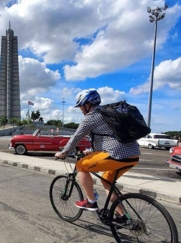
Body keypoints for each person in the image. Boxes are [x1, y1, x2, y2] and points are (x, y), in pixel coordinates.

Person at [55, 90, 140, 223]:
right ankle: (123, 216)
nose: (81, 110)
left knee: (80, 166)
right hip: (133, 155)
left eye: (81, 107)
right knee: (107, 181)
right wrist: (92, 150)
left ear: (88, 104)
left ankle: (91, 202)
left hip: (116, 155)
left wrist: (64, 152)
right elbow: (108, 137)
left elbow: (76, 137)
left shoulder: (91, 116)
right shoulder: (108, 114)